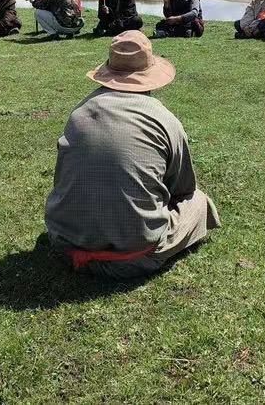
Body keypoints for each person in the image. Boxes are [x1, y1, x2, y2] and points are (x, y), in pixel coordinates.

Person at [45, 31, 220, 278]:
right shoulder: (164, 119)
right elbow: (183, 188)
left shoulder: (80, 111)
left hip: (65, 243)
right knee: (198, 201)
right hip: (133, 258)